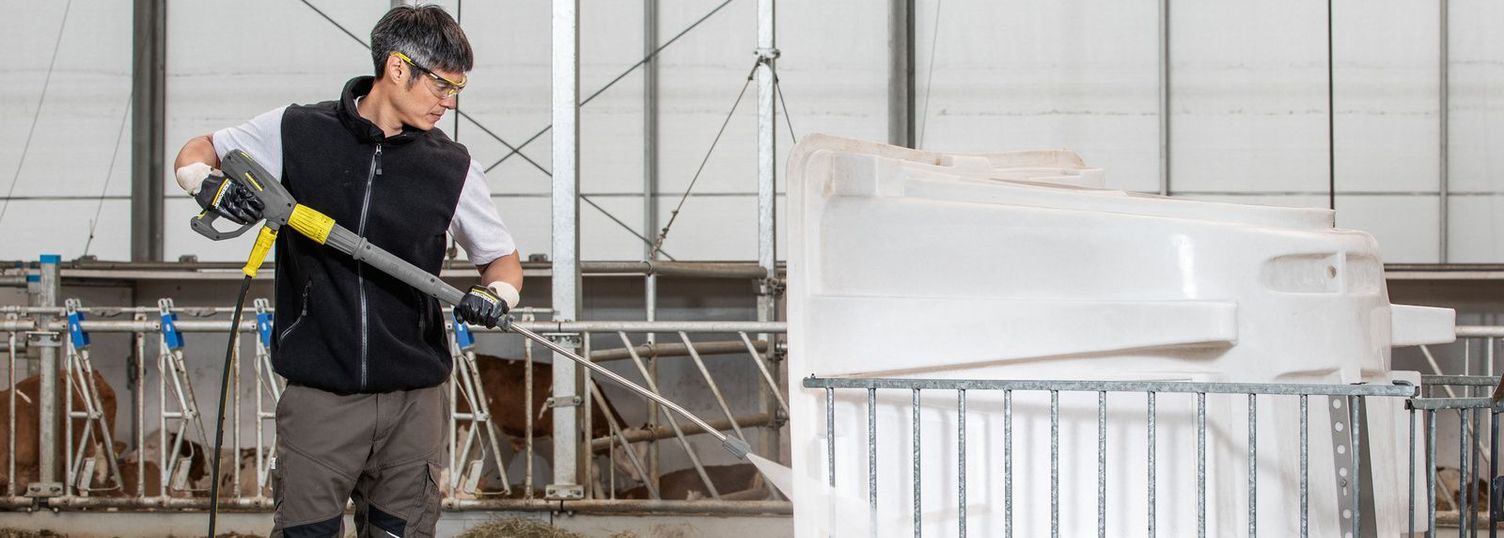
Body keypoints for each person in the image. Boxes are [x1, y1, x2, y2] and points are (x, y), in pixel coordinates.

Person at [171, 6, 520, 537]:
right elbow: (204, 149)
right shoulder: (296, 130)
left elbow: (503, 260)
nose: (449, 103)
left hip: (413, 401)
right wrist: (202, 180)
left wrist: (497, 294)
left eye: (458, 89)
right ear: (398, 69)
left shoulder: (454, 167)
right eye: (443, 86)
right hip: (321, 396)